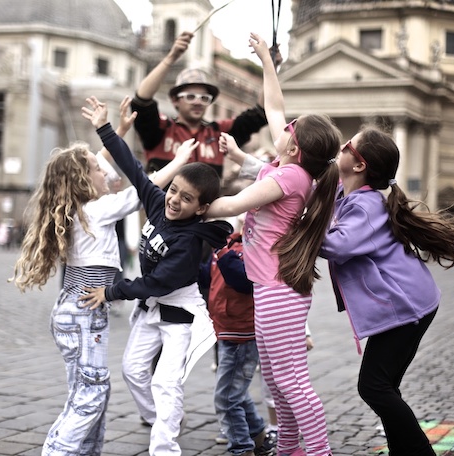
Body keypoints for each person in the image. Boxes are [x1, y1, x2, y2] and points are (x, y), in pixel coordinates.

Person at [10, 104, 195, 455]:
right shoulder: (96, 210)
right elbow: (145, 186)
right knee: (92, 392)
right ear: (84, 180)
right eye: (98, 170)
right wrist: (180, 161)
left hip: (71, 311)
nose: (105, 172)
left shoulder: (80, 210)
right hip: (84, 314)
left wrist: (118, 131)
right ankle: (58, 451)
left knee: (90, 390)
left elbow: (98, 161)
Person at [206, 33, 340, 456]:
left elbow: (235, 204)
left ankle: (316, 452)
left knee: (291, 382)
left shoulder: (289, 177)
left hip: (278, 291)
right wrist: (267, 60)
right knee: (278, 381)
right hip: (270, 288)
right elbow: (274, 107)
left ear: (294, 145)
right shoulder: (290, 169)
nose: (280, 125)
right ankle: (289, 451)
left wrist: (190, 207)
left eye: (288, 129)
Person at [80, 95, 233, 456]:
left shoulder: (189, 242)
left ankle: (165, 447)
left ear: (202, 208)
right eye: (174, 190)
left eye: (186, 198)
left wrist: (110, 292)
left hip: (179, 310)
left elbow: (157, 282)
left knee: (165, 382)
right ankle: (164, 418)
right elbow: (133, 168)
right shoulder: (158, 202)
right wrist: (104, 127)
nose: (175, 200)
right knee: (133, 370)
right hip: (151, 305)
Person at [318, 127, 454, 456]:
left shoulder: (366, 205)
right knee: (384, 385)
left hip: (407, 307)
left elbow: (336, 246)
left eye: (348, 145)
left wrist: (300, 224)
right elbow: (307, 182)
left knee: (374, 387)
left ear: (360, 165)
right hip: (412, 302)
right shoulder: (349, 195)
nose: (341, 146)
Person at [130, 31, 269, 177]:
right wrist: (172, 57)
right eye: (190, 97)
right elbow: (141, 100)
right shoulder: (161, 129)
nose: (198, 102)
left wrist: (269, 65)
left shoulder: (218, 134)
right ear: (175, 100)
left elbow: (260, 114)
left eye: (204, 98)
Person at [198, 215, 275, 456]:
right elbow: (208, 277)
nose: (246, 217)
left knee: (226, 398)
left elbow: (242, 280)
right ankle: (259, 437)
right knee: (235, 393)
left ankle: (242, 448)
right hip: (226, 330)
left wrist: (221, 251)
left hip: (243, 334)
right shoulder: (230, 243)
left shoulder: (259, 249)